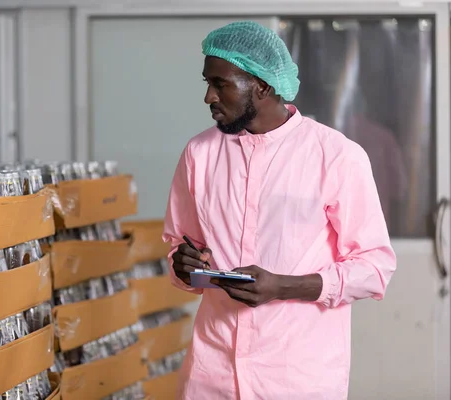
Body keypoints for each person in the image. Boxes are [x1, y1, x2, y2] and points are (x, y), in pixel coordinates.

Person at [163, 21, 396, 400]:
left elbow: (375, 267)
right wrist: (182, 265)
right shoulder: (199, 155)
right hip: (211, 377)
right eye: (207, 82)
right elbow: (180, 248)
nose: (209, 96)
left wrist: (284, 286)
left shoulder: (336, 157)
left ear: (263, 86)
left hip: (296, 380)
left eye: (220, 84)